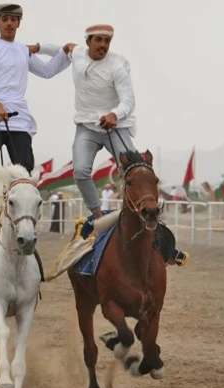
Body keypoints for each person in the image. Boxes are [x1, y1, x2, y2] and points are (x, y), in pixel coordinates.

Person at [37, 24, 188, 265]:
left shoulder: (117, 66)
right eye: (98, 41)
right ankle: (98, 219)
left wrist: (115, 114)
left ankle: (156, 230)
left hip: (114, 127)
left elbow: (129, 99)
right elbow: (64, 48)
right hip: (86, 128)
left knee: (139, 171)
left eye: (107, 42)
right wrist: (37, 47)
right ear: (88, 42)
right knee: (80, 171)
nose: (103, 46)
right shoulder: (77, 54)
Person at [0, 4, 73, 207]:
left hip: (18, 120)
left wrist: (54, 48)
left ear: (18, 23)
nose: (9, 23)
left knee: (24, 174)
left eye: (13, 19)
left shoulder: (22, 51)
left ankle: (19, 223)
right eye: (5, 19)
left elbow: (48, 70)